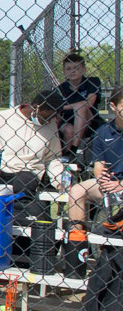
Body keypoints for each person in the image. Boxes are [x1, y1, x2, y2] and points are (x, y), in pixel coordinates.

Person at [0, 89, 65, 206]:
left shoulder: (51, 125)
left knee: (23, 184)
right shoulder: (3, 117)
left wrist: (59, 181)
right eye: (46, 117)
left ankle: (17, 219)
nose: (48, 121)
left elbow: (53, 158)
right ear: (35, 108)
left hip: (27, 171)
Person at [66, 87, 123, 241]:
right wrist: (102, 179)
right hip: (111, 184)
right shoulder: (102, 132)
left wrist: (121, 184)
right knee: (77, 190)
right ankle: (77, 243)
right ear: (113, 106)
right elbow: (98, 166)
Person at [57, 52, 102, 156]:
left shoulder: (92, 81)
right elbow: (57, 108)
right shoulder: (61, 88)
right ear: (64, 72)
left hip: (89, 120)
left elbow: (89, 103)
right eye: (68, 69)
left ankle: (74, 148)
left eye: (76, 68)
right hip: (68, 120)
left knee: (81, 107)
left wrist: (68, 106)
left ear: (84, 70)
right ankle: (69, 159)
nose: (72, 71)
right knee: (68, 130)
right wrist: (72, 106)